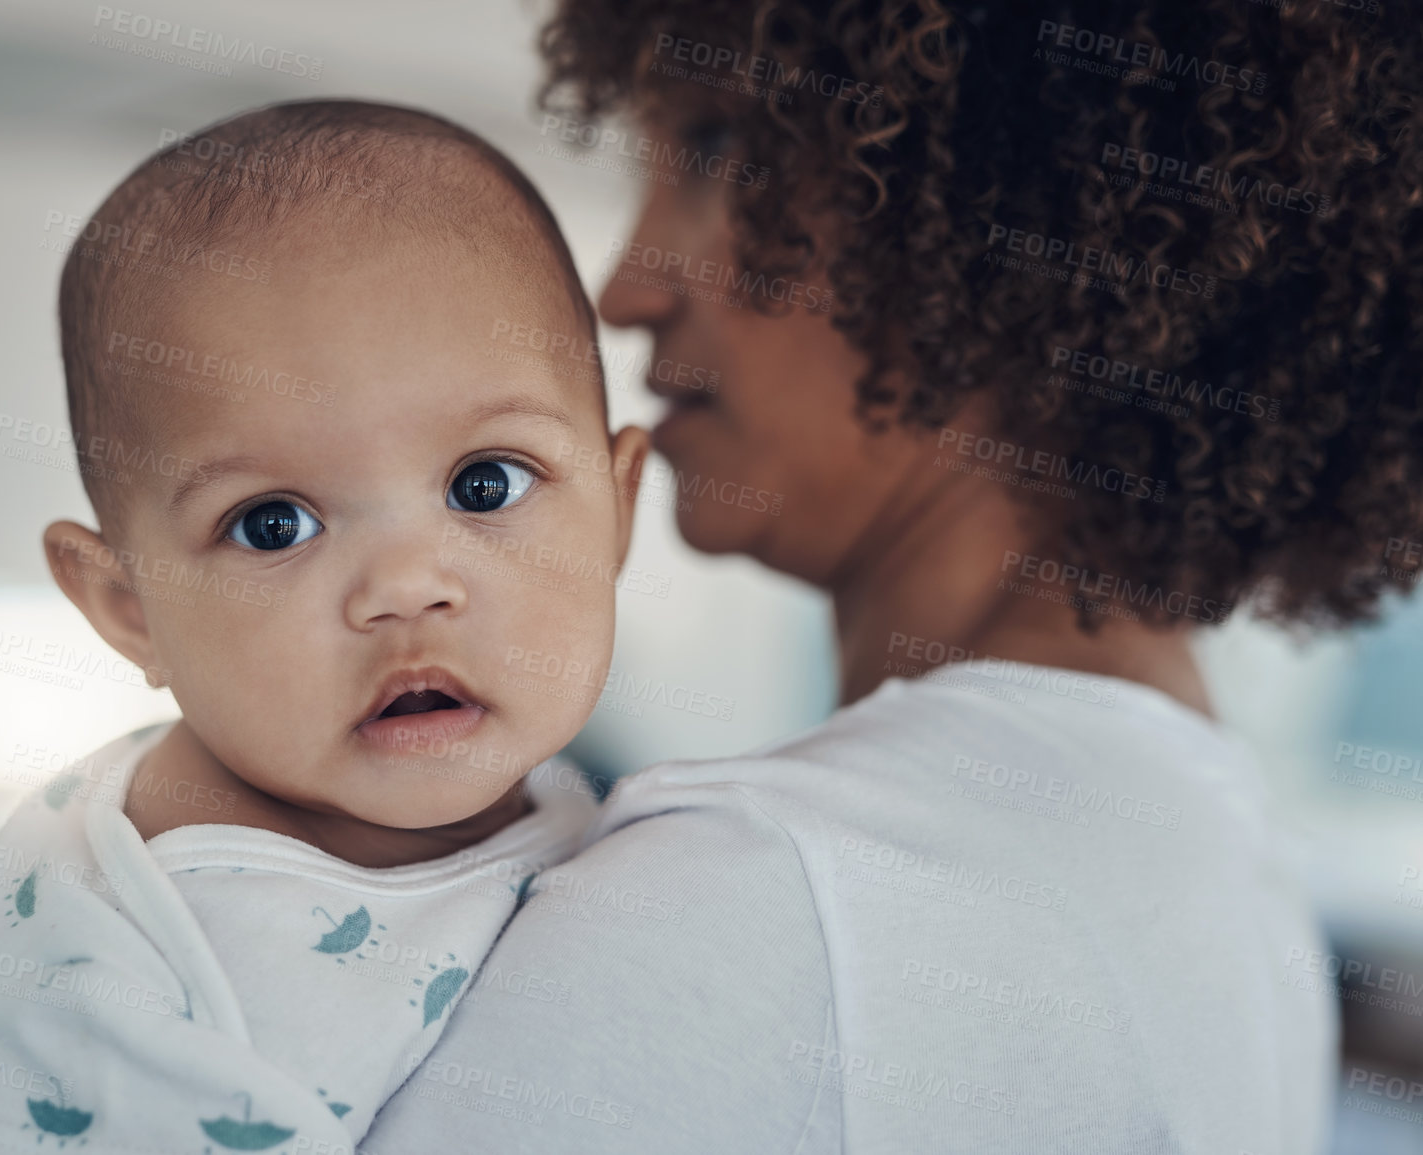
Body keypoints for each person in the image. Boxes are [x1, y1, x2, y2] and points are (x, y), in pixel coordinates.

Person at [360, 2, 1423, 1151]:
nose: (627, 287)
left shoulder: (778, 889)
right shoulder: (1231, 875)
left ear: (1013, 205)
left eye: (723, 153)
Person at [0, 99, 650, 1155]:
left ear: (619, 510)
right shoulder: (131, 943)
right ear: (127, 609)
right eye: (274, 525)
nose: (406, 588)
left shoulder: (627, 825)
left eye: (486, 483)